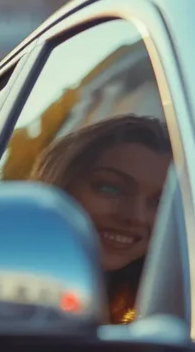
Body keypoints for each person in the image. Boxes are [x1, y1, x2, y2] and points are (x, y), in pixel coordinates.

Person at [28, 115, 172, 324]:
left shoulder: (168, 320)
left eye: (160, 201)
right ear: (60, 186)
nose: (134, 216)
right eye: (110, 188)